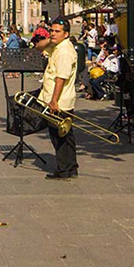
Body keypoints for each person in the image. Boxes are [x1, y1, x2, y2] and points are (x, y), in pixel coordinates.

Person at [41, 18, 79, 179]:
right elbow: (38, 47)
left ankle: (64, 169)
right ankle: (70, 167)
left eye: (57, 31)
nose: (53, 33)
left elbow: (60, 78)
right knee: (66, 136)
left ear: (66, 34)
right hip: (60, 99)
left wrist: (54, 100)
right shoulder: (58, 46)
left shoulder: (64, 51)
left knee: (59, 137)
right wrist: (51, 38)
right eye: (52, 30)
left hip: (59, 101)